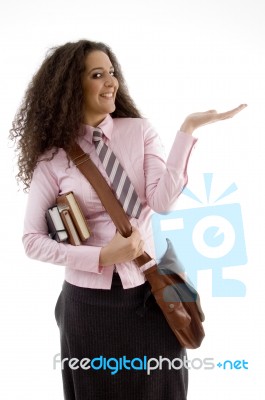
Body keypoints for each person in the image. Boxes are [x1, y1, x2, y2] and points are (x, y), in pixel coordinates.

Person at [9, 39, 246, 400]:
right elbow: (32, 241)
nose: (111, 82)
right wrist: (102, 257)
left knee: (163, 387)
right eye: (97, 74)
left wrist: (187, 131)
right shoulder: (53, 159)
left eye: (112, 72)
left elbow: (163, 202)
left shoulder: (140, 131)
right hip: (88, 308)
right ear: (72, 86)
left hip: (150, 295)